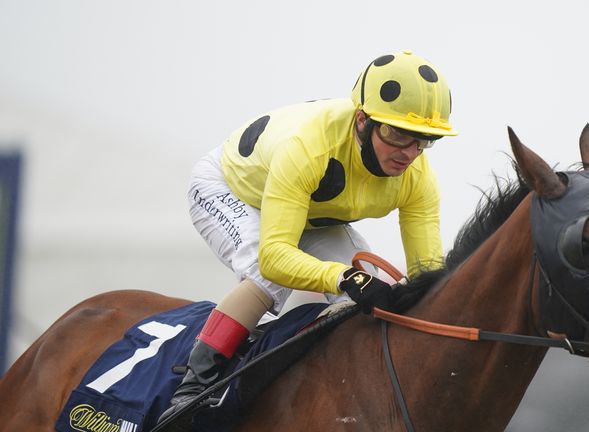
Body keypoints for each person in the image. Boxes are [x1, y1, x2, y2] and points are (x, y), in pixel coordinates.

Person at [158, 49, 457, 422]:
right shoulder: (308, 146)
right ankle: (192, 386)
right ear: (363, 121)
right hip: (231, 190)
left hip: (311, 216)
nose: (409, 153)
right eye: (398, 134)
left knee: (373, 283)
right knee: (267, 273)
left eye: (424, 139)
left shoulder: (419, 178)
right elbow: (275, 256)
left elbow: (428, 272)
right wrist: (343, 277)